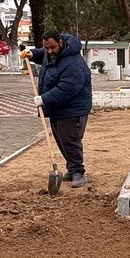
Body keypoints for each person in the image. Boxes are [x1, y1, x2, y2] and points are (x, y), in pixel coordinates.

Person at [26, 30, 92, 189]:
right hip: (58, 108)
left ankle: (78, 172)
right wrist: (31, 53)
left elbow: (67, 89)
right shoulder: (52, 53)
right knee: (62, 140)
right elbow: (42, 54)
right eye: (46, 47)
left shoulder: (73, 63)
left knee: (70, 141)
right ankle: (71, 168)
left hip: (73, 108)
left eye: (52, 47)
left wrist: (44, 98)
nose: (49, 51)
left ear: (60, 42)